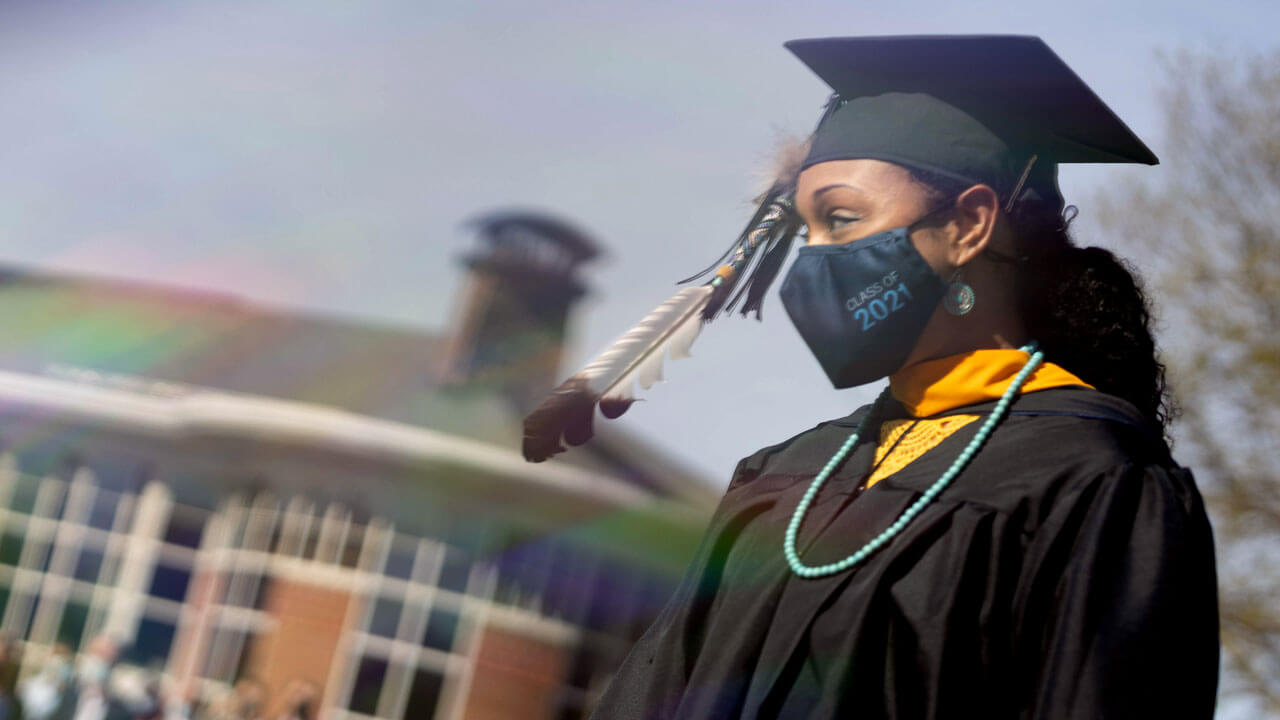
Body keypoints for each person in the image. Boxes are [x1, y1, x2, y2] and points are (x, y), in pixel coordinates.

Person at [588, 36, 1219, 719]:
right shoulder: (785, 475)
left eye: (842, 220)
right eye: (808, 231)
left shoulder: (1091, 484)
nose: (814, 260)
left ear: (970, 226)